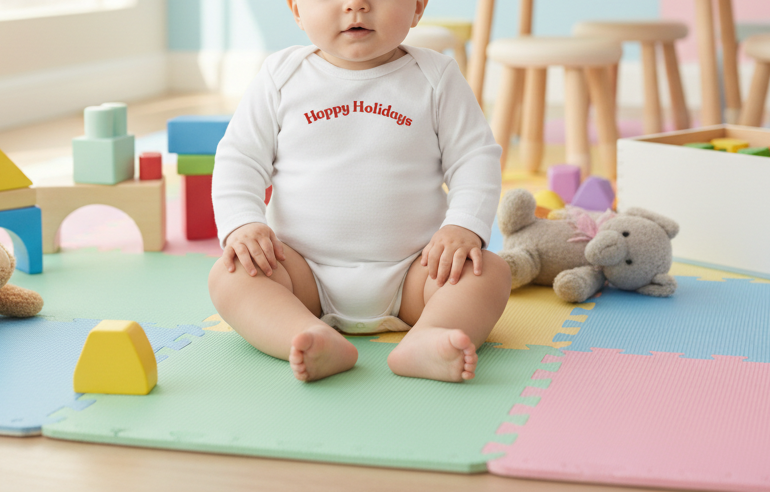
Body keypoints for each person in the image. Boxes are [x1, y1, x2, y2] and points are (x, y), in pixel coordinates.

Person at [208, 0, 511, 383]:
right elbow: (239, 159)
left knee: (491, 272)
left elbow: (475, 159)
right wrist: (243, 224)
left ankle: (428, 336)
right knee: (229, 274)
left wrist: (464, 226)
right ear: (296, 10)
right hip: (300, 274)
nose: (356, 5)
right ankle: (304, 335)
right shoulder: (281, 77)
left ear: (418, 7)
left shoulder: (436, 77)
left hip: (417, 272)